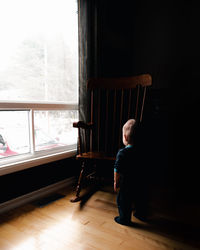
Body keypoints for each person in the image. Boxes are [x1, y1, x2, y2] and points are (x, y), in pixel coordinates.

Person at [114, 119, 147, 225]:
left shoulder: (123, 153)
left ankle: (124, 219)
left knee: (123, 201)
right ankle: (141, 214)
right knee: (140, 199)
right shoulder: (143, 151)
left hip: (127, 184)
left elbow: (117, 169)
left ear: (125, 137)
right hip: (141, 182)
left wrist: (116, 182)